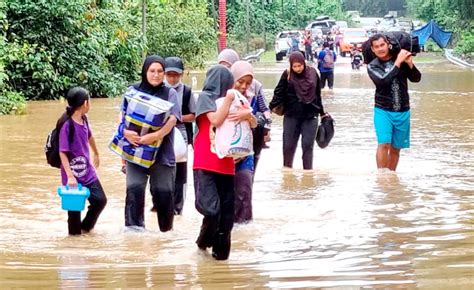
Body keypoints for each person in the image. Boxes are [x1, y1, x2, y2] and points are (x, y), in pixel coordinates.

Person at [193, 64, 253, 260]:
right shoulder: (205, 98)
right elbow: (216, 121)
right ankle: (202, 243)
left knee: (227, 217)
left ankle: (221, 260)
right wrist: (229, 98)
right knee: (211, 209)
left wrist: (247, 113)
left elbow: (253, 123)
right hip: (206, 161)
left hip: (227, 163)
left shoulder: (237, 99)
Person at [121, 55, 181, 231]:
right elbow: (122, 117)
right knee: (134, 191)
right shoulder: (132, 91)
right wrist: (125, 133)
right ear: (145, 72)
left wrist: (155, 136)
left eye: (160, 71)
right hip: (135, 151)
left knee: (164, 195)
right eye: (152, 71)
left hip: (161, 153)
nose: (156, 75)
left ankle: (166, 234)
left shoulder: (170, 93)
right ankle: (134, 235)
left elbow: (172, 120)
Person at [367, 34, 421, 171]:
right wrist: (398, 62)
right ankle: (382, 175)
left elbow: (416, 79)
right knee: (384, 143)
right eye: (376, 47)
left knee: (396, 148)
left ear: (388, 44)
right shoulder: (373, 66)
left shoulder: (401, 59)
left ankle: (391, 177)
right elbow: (383, 81)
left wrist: (410, 64)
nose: (380, 49)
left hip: (403, 110)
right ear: (373, 50)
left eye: (382, 45)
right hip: (383, 110)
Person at [58, 87, 107, 235]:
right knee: (74, 214)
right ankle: (74, 243)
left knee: (100, 201)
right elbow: (62, 152)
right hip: (72, 175)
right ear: (85, 103)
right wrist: (70, 176)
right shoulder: (67, 125)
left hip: (88, 171)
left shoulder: (84, 119)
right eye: (90, 100)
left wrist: (96, 153)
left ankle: (85, 228)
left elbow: (89, 136)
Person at [269, 51, 327, 170]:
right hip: (291, 116)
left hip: (310, 116)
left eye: (299, 66)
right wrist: (269, 108)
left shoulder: (313, 73)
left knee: (307, 146)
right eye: (294, 66)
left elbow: (318, 94)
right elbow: (278, 93)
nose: (297, 69)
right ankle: (287, 171)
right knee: (288, 146)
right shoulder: (287, 74)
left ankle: (308, 173)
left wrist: (322, 113)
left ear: (304, 63)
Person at [164, 56, 196, 215]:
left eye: (175, 75)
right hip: (159, 134)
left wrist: (176, 118)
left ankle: (178, 208)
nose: (172, 78)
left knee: (180, 173)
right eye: (169, 74)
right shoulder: (157, 89)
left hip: (181, 134)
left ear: (181, 74)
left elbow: (194, 115)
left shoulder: (188, 92)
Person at [230, 60, 258, 224]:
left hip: (246, 154)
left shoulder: (251, 99)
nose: (243, 86)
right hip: (224, 156)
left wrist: (248, 116)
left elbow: (257, 122)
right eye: (240, 81)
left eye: (248, 83)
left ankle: (245, 237)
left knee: (245, 194)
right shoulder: (221, 97)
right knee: (226, 197)